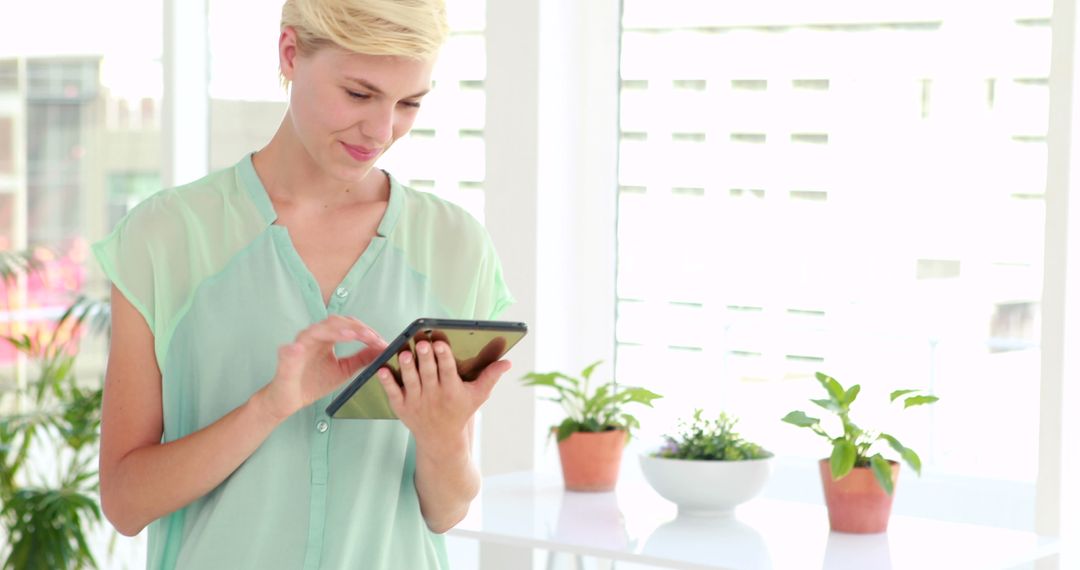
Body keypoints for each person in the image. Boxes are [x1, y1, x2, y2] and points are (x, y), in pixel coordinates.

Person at [92, 0, 514, 568]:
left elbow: (445, 512)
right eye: (359, 95)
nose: (382, 129)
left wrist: (440, 437)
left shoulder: (457, 246)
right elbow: (124, 502)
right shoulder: (164, 237)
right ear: (290, 54)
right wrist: (268, 407)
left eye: (409, 102)